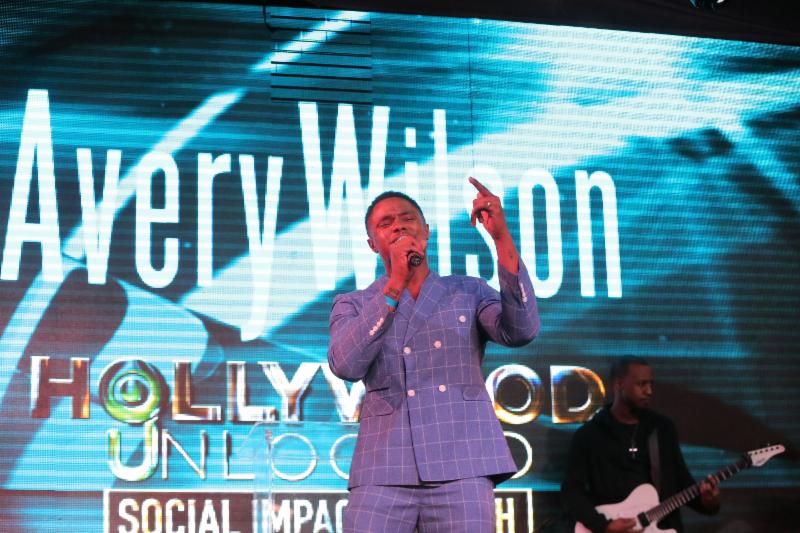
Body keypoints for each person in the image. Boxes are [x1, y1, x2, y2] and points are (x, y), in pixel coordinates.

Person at [327, 178, 540, 532]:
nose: (398, 226)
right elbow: (345, 364)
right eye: (385, 223)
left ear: (425, 230)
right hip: (384, 465)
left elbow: (521, 330)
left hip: (462, 460)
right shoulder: (354, 304)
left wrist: (501, 238)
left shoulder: (467, 290)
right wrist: (395, 285)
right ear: (372, 244)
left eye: (407, 218)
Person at [561, 356, 721, 533]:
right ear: (619, 384)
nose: (649, 391)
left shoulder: (662, 429)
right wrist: (604, 526)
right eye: (642, 384)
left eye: (651, 384)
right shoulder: (589, 435)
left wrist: (707, 502)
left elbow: (681, 482)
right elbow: (572, 492)